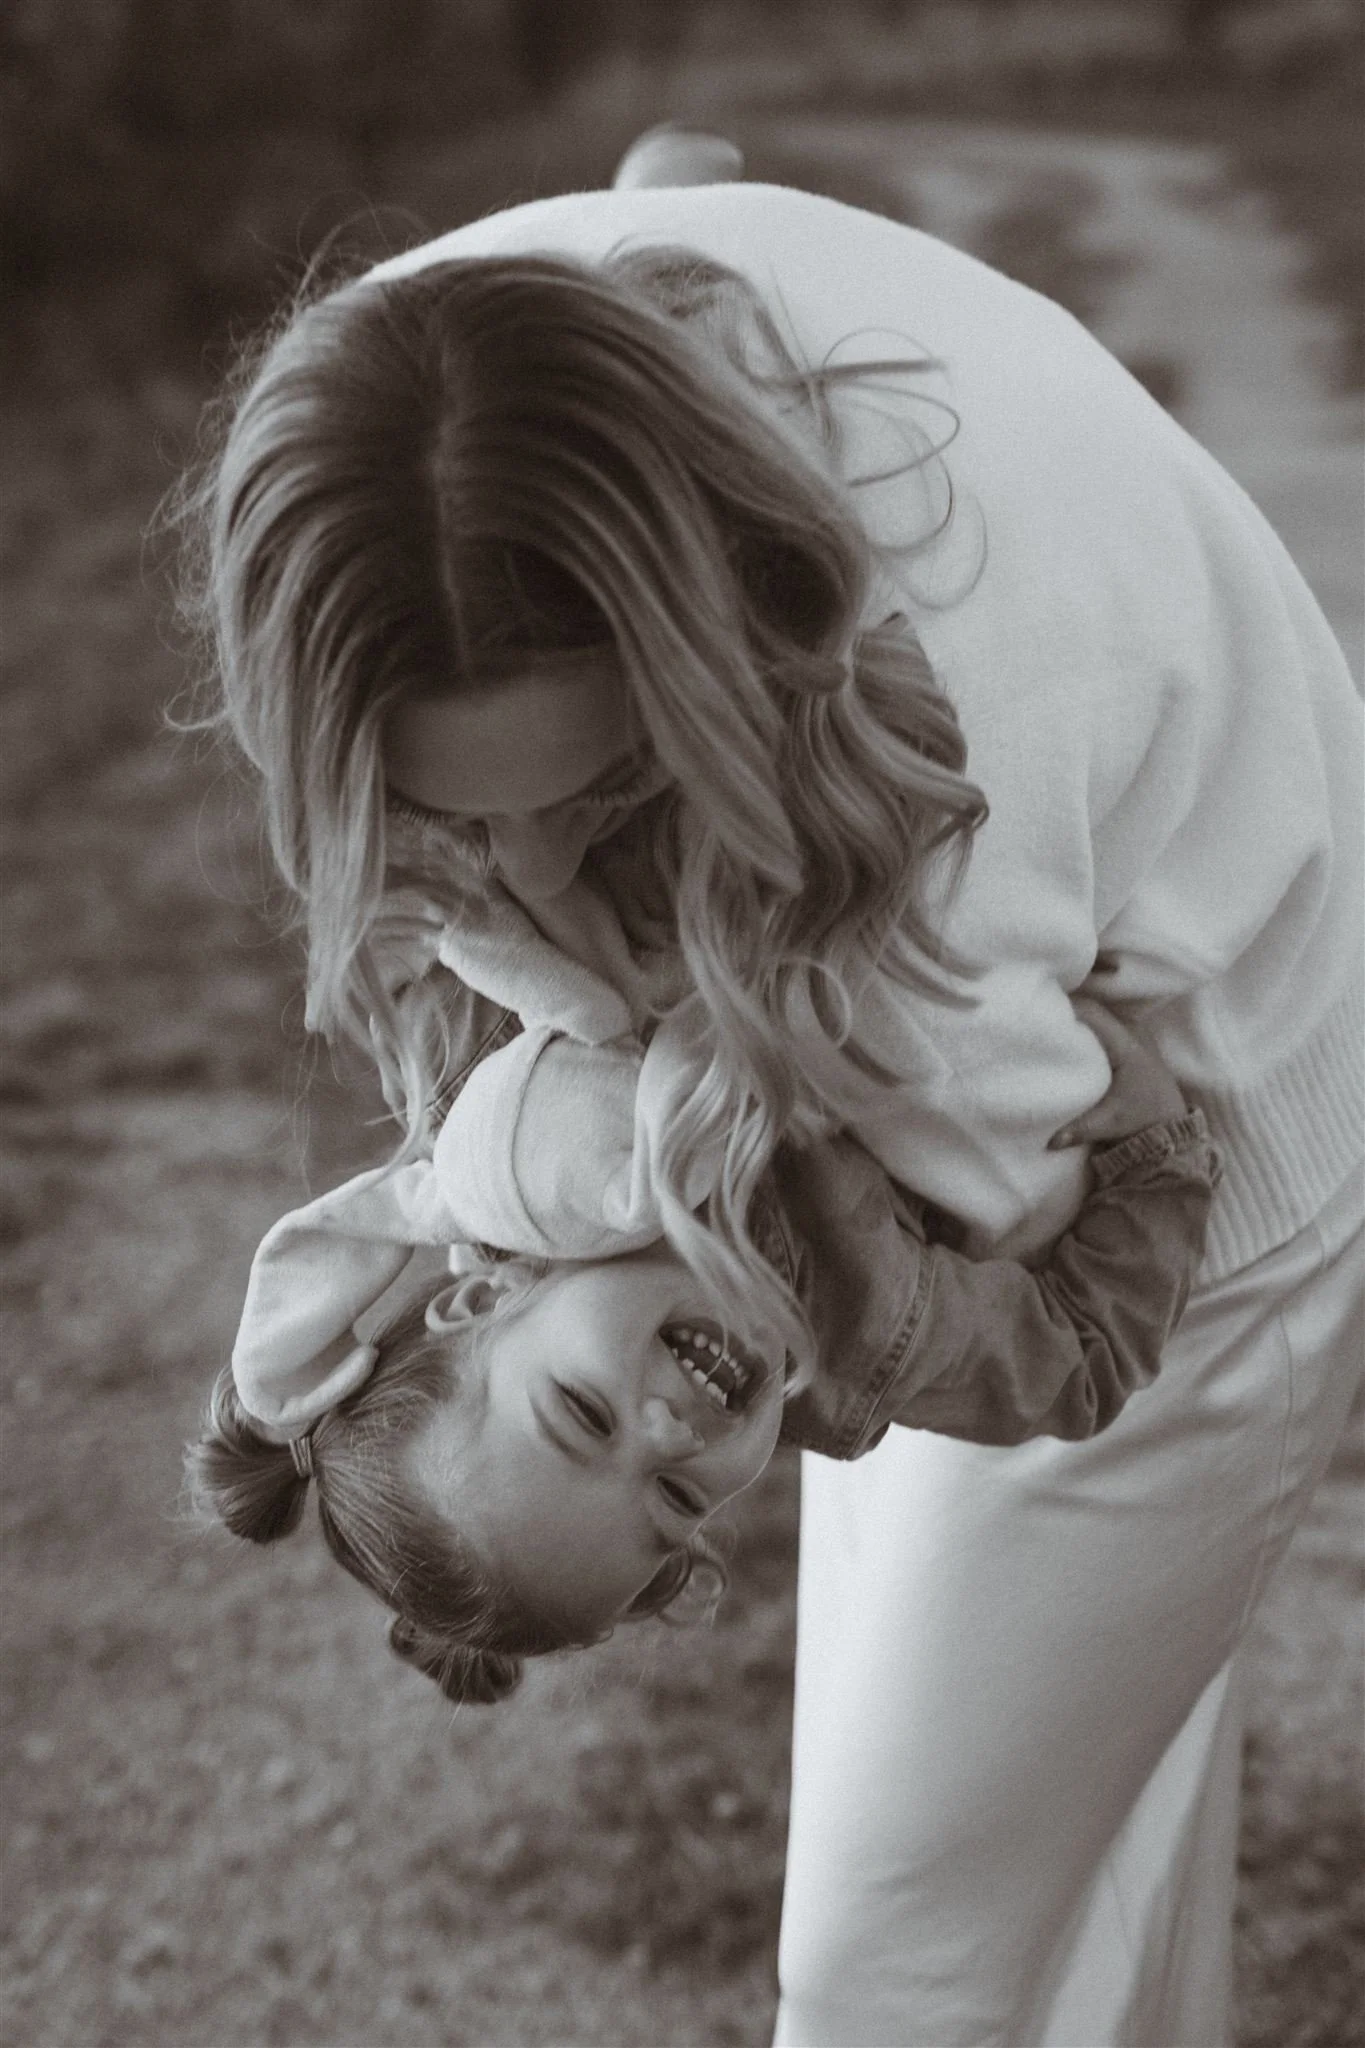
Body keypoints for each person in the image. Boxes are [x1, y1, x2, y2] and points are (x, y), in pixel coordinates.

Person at [184, 156, 1363, 2048]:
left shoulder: (928, 872)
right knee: (1043, 1814)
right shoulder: (426, 379)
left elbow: (1059, 1272)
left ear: (719, 642)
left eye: (594, 789)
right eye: (453, 818)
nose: (532, 873)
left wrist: (768, 1239)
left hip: (1178, 1110)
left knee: (893, 1955)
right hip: (903, 1082)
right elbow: (680, 182)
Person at [193, 994, 1215, 1704]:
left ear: (481, 1296)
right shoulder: (868, 1345)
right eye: (678, 1500)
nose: (671, 1433)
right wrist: (1151, 1152)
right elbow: (1080, 1365)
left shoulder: (513, 1113)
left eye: (583, 1413)